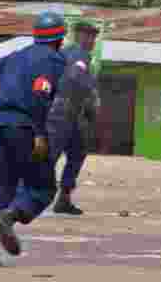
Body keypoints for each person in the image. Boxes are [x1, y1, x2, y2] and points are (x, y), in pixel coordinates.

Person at [0, 11, 68, 268]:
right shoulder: (56, 62)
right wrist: (41, 133)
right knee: (42, 187)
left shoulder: (16, 56)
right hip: (24, 128)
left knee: (0, 191)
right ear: (60, 40)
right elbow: (40, 94)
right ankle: (11, 215)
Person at [47, 19, 101, 215]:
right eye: (89, 36)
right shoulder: (78, 55)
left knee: (77, 152)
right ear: (79, 35)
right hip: (62, 113)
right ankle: (24, 198)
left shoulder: (63, 53)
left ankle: (64, 199)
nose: (92, 41)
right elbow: (76, 78)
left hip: (70, 114)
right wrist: (92, 98)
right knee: (50, 156)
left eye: (94, 37)